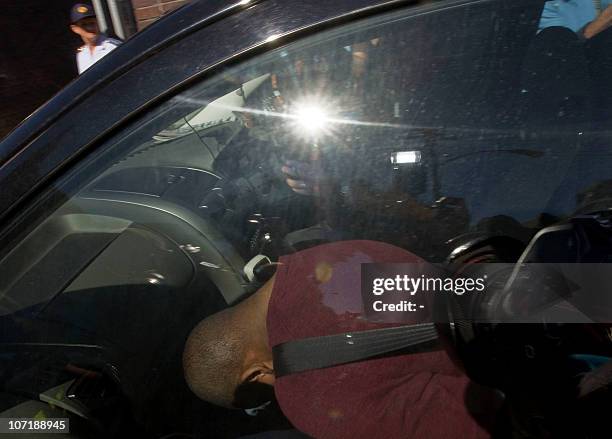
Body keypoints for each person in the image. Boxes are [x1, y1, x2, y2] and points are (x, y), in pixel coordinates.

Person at [183, 240, 500, 438]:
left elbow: (487, 427)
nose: (277, 391)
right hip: (519, 293)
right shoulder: (312, 252)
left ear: (256, 373)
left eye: (264, 393)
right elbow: (431, 297)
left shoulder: (311, 401)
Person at [70, 3, 121, 74]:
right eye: (84, 25)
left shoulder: (112, 47)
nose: (89, 28)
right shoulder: (81, 54)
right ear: (75, 29)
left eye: (92, 23)